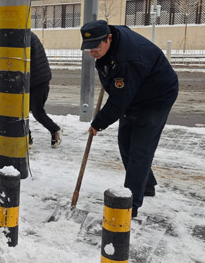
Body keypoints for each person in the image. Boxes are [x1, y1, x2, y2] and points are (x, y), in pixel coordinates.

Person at [80, 20, 178, 218]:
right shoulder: (114, 36)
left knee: (140, 150)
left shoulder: (128, 61)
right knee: (125, 141)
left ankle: (129, 205)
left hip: (156, 98)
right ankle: (147, 185)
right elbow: (124, 30)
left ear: (108, 38)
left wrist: (98, 123)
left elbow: (118, 102)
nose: (92, 51)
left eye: (96, 46)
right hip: (135, 93)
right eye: (88, 47)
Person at [29, 31, 62, 148]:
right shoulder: (25, 34)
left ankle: (55, 130)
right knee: (21, 110)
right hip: (33, 79)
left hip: (38, 80)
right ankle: (26, 138)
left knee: (37, 111)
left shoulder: (23, 36)